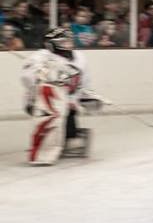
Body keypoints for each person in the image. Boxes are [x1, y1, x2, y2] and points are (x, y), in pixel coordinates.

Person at [20, 28, 104, 165]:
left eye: (69, 41)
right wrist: (44, 73)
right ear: (51, 44)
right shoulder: (40, 57)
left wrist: (86, 96)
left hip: (68, 100)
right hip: (39, 101)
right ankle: (43, 145)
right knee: (48, 122)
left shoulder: (80, 58)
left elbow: (83, 83)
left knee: (67, 126)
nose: (68, 45)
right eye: (64, 42)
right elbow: (26, 78)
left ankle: (67, 135)